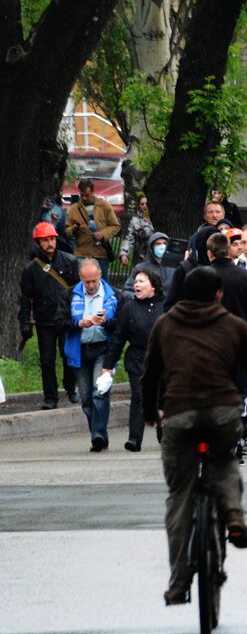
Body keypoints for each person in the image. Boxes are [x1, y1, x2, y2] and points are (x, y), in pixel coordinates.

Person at [142, 266, 247, 605]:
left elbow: (150, 374)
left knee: (179, 497)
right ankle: (232, 514)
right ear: (219, 294)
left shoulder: (165, 325)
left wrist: (150, 414)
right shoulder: (234, 326)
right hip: (223, 411)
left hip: (180, 414)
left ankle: (179, 583)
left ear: (184, 293)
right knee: (224, 460)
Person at [20, 222, 81, 408]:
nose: (50, 243)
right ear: (38, 242)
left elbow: (80, 291)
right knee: (47, 360)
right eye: (45, 240)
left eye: (52, 238)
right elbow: (25, 297)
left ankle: (71, 387)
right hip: (44, 319)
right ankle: (50, 397)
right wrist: (24, 322)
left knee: (68, 355)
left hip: (66, 318)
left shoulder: (70, 261)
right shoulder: (30, 269)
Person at [102, 267, 163, 452]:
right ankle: (134, 439)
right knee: (139, 397)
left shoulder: (166, 305)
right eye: (136, 282)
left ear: (153, 286)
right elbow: (119, 338)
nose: (137, 284)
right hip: (137, 359)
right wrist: (107, 365)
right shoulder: (129, 307)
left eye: (142, 281)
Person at [68, 259, 119, 450]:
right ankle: (98, 435)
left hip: (102, 348)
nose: (90, 285)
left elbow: (120, 324)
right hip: (79, 350)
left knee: (100, 393)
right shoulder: (70, 295)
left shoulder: (113, 296)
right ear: (80, 278)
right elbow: (59, 321)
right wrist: (79, 323)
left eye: (94, 281)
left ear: (100, 276)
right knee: (86, 399)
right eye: (86, 281)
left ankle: (98, 434)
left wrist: (105, 322)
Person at [65, 179, 121, 278]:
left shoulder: (104, 206)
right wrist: (74, 229)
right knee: (82, 283)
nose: (84, 198)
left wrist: (103, 234)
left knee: (102, 283)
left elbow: (115, 226)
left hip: (100, 254)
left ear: (92, 192)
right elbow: (66, 231)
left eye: (87, 195)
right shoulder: (73, 209)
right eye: (81, 195)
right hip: (81, 253)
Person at [118, 194, 154, 268]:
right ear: (138, 206)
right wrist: (124, 253)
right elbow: (128, 238)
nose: (145, 206)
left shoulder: (158, 217)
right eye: (142, 204)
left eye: (146, 203)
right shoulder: (136, 220)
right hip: (142, 258)